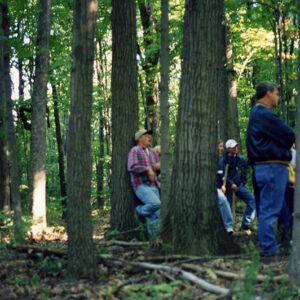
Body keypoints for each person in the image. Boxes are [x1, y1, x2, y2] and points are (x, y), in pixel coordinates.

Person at [247, 81, 295, 259]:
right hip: (272, 166)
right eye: (276, 93)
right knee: (269, 210)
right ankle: (269, 250)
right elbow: (288, 134)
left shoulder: (257, 114)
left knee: (274, 208)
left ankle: (278, 241)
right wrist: (283, 143)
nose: (277, 97)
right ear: (268, 93)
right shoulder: (264, 114)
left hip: (267, 167)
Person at [127, 129, 161, 237]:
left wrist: (159, 167)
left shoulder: (153, 152)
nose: (149, 138)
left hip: (154, 185)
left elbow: (159, 165)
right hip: (141, 185)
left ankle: (153, 241)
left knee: (155, 216)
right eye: (146, 136)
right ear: (139, 138)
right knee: (155, 204)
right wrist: (147, 169)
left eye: (149, 136)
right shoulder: (135, 150)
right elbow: (131, 166)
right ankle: (139, 210)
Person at [218, 139, 256, 231]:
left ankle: (246, 223)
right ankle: (229, 227)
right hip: (227, 187)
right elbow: (222, 174)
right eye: (233, 147)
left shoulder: (241, 159)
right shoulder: (223, 160)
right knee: (228, 206)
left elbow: (244, 170)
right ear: (228, 149)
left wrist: (243, 182)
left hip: (239, 186)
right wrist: (230, 184)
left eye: (236, 146)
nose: (235, 148)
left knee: (252, 200)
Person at [217, 140, 234, 234]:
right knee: (222, 199)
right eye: (220, 146)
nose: (222, 148)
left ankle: (228, 226)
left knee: (225, 198)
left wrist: (224, 185)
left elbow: (223, 176)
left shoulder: (219, 162)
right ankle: (228, 225)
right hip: (213, 189)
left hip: (220, 188)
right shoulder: (217, 161)